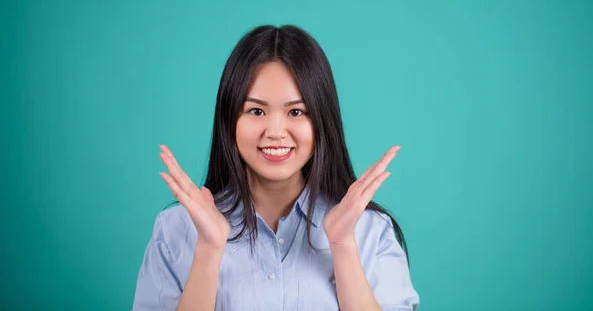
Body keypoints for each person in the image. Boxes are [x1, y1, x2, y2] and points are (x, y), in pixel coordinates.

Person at [132, 25, 420, 311]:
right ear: (229, 119)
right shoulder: (175, 230)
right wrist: (208, 250)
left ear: (322, 120)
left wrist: (342, 245)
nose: (275, 131)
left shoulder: (370, 230)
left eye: (296, 111)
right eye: (256, 111)